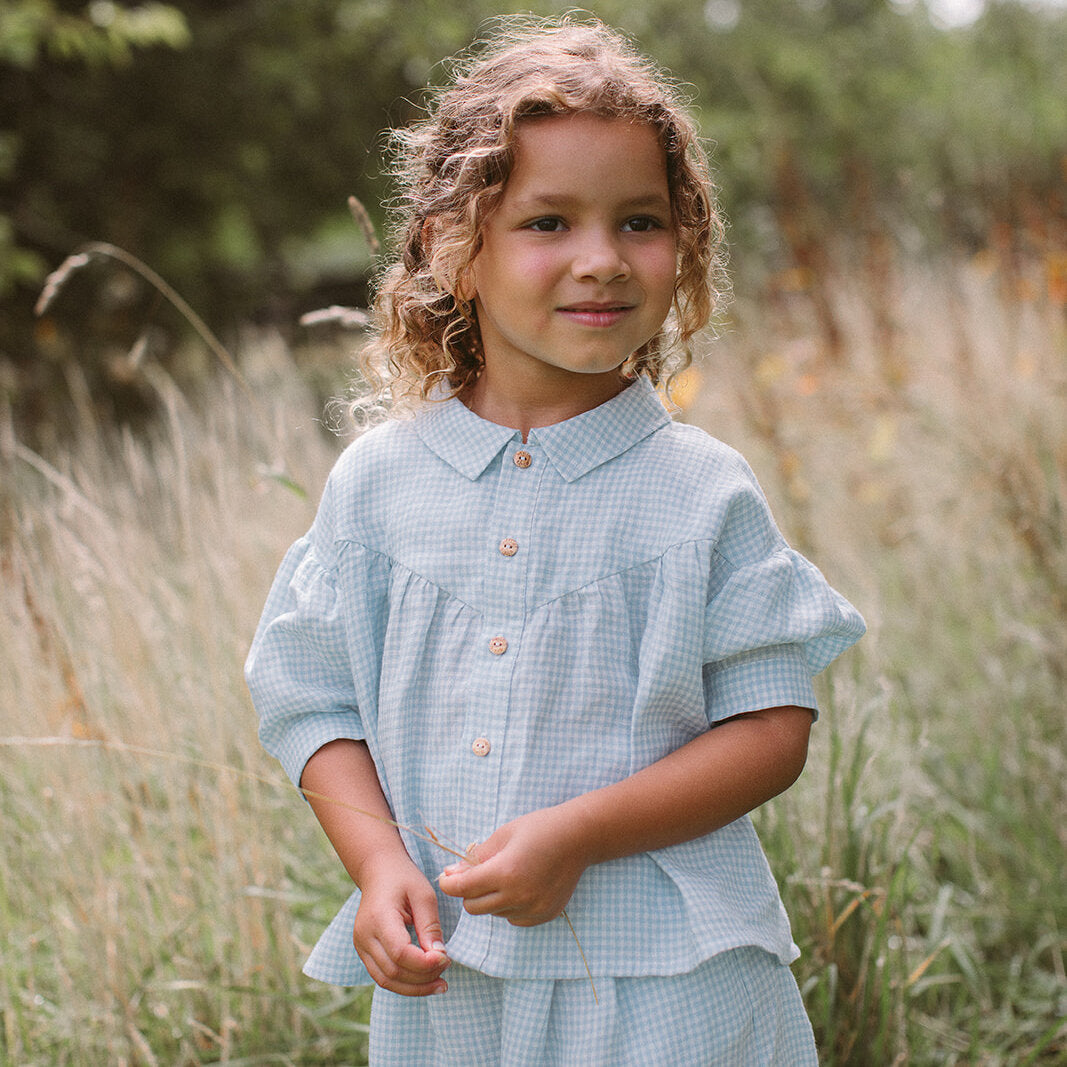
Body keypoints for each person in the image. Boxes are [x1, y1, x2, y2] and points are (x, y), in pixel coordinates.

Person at [245, 15, 865, 1065]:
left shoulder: (698, 490)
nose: (600, 261)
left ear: (684, 243)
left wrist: (578, 832)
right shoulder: (377, 488)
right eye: (547, 222)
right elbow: (310, 697)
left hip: (669, 983)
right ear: (457, 245)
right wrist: (377, 860)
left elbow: (770, 726)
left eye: (638, 221)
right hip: (455, 983)